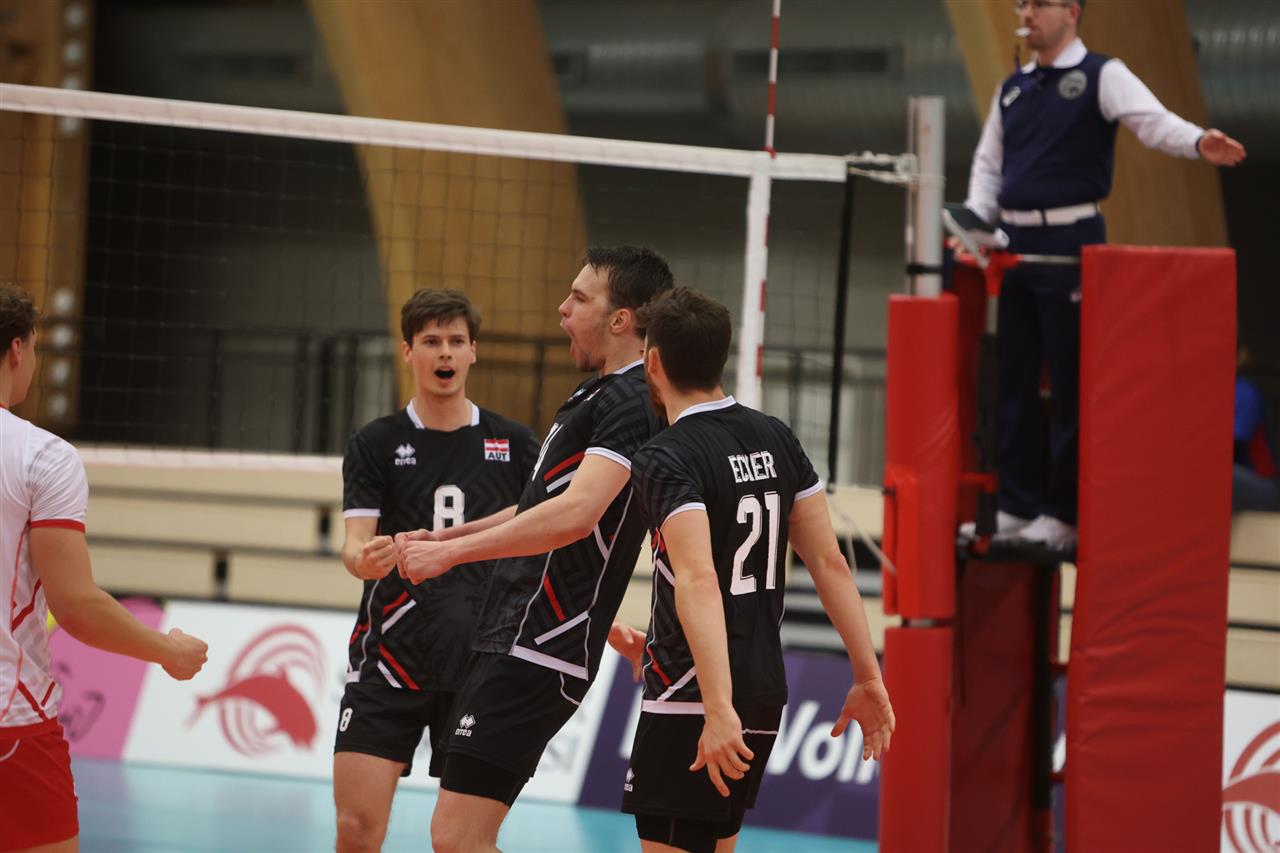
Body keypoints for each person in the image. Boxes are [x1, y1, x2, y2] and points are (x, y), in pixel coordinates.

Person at [394, 246, 673, 853]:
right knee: (457, 837)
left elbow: (578, 514)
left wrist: (450, 558)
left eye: (579, 298)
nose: (562, 308)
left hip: (543, 647)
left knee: (457, 838)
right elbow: (538, 505)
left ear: (621, 319)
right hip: (516, 634)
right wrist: (447, 537)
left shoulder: (632, 401)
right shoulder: (595, 395)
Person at [611, 287, 894, 853]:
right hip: (763, 692)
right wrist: (868, 677)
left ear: (652, 362)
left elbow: (699, 579)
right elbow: (830, 563)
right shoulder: (777, 437)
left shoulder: (665, 455)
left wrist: (717, 708)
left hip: (695, 695)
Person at [962, 0, 1246, 550]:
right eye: (1022, 3)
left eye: (1039, 3)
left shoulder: (1102, 74)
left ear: (1071, 11)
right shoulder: (1012, 89)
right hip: (1014, 246)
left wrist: (1197, 141)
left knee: (1071, 383)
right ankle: (1017, 504)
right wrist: (977, 219)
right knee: (1014, 380)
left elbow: (1152, 122)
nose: (1027, 13)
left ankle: (1062, 513)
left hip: (1071, 243)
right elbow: (988, 165)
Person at [0, 282, 209, 852]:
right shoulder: (41, 456)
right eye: (35, 347)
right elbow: (74, 605)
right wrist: (167, 651)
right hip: (11, 723)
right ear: (17, 349)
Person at [333, 289, 538, 853]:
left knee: (461, 842)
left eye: (455, 340)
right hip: (391, 661)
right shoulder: (376, 442)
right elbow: (355, 542)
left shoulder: (516, 442)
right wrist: (363, 559)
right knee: (354, 830)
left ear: (473, 351)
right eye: (430, 341)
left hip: (481, 664)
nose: (444, 352)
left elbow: (546, 530)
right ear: (408, 352)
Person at [1233, 347, 1279, 513]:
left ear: (1240, 356)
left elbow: (1234, 448)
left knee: (1214, 472)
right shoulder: (1201, 393)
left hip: (1264, 485)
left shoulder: (1244, 390)